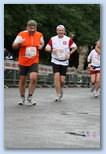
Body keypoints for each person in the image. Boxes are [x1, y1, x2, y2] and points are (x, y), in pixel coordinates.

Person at [12, 19, 44, 105]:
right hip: (23, 60)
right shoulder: (21, 34)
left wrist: (41, 46)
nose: (32, 31)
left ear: (36, 28)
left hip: (34, 60)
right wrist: (18, 43)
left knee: (33, 78)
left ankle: (30, 97)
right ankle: (22, 98)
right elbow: (13, 46)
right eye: (30, 29)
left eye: (34, 29)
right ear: (27, 27)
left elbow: (42, 44)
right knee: (23, 80)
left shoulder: (39, 35)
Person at [45, 25, 77, 101]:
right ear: (57, 31)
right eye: (59, 30)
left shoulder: (68, 39)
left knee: (62, 80)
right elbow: (47, 48)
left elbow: (75, 47)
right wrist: (52, 50)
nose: (60, 32)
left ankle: (60, 89)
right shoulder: (53, 39)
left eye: (62, 30)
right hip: (55, 61)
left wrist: (69, 53)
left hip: (64, 62)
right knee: (56, 77)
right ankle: (58, 94)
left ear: (64, 31)